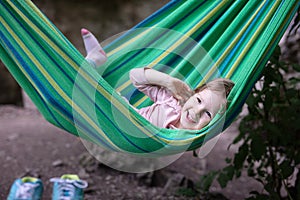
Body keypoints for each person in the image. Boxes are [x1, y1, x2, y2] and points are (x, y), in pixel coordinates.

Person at [81, 29, 234, 130]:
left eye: (208, 114)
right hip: (116, 111)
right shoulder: (172, 103)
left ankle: (93, 61)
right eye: (199, 100)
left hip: (122, 132)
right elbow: (135, 76)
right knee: (79, 87)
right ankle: (94, 61)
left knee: (80, 88)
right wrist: (168, 81)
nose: (197, 111)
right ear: (193, 94)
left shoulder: (191, 138)